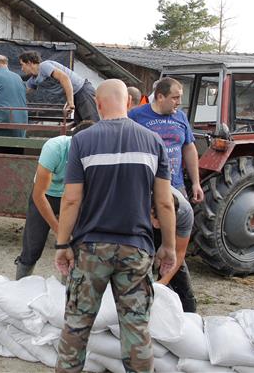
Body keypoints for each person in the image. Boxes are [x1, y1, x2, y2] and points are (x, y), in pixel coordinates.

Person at [54, 79, 176, 373]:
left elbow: (71, 200)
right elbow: (165, 204)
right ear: (130, 103)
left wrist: (61, 244)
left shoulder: (82, 141)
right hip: (136, 249)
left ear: (97, 104)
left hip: (91, 249)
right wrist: (168, 247)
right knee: (136, 329)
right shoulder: (153, 142)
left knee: (77, 326)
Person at [15, 121, 94, 280]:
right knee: (33, 245)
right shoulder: (54, 148)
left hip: (73, 196)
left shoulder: (94, 154)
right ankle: (20, 285)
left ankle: (68, 289)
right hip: (47, 196)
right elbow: (39, 195)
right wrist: (60, 231)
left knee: (77, 245)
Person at [129, 77, 204, 203]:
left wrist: (196, 183)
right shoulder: (136, 116)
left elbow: (189, 148)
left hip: (176, 184)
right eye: (175, 98)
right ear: (160, 97)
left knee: (180, 220)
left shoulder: (181, 117)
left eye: (180, 97)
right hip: (146, 186)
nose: (179, 102)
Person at [18, 51, 100, 124]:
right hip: (74, 96)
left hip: (83, 91)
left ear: (29, 63)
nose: (22, 69)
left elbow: (65, 78)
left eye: (22, 65)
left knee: (92, 123)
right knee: (81, 125)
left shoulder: (44, 66)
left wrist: (70, 103)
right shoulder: (33, 79)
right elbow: (23, 91)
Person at [151, 187, 197, 312]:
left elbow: (179, 252)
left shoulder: (185, 213)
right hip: (140, 225)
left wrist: (161, 283)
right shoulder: (138, 203)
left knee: (179, 279)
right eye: (155, 219)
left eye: (160, 221)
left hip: (170, 232)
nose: (156, 226)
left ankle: (189, 315)